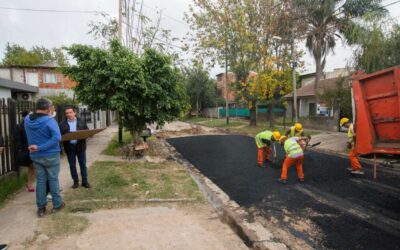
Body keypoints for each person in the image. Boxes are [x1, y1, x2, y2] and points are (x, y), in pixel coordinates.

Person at [25, 98, 64, 217]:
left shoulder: (27, 120)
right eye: (51, 107)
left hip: (36, 156)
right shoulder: (49, 121)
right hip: (50, 155)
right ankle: (57, 205)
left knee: (41, 181)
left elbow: (31, 114)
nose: (53, 109)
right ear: (47, 109)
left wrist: (37, 148)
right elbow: (57, 138)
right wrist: (40, 147)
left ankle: (41, 208)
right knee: (53, 179)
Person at [59, 106, 90, 188]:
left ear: (74, 113)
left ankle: (85, 181)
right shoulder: (62, 124)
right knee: (72, 165)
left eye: (70, 112)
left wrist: (87, 134)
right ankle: (75, 182)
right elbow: (59, 136)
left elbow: (87, 131)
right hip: (69, 148)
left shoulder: (82, 121)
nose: (69, 114)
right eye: (67, 113)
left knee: (83, 165)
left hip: (80, 147)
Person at [14, 110, 35, 192]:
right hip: (26, 150)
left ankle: (30, 184)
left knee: (32, 167)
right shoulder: (19, 126)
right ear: (24, 117)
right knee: (33, 166)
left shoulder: (33, 125)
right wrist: (21, 149)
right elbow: (17, 139)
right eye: (29, 115)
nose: (31, 117)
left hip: (34, 149)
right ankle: (31, 184)